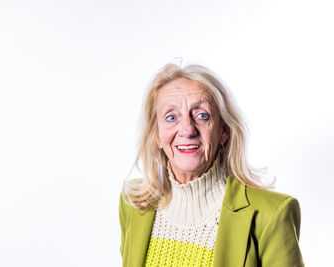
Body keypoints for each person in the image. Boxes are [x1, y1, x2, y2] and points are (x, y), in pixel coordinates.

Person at [119, 62, 304, 267]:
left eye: (202, 115)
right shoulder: (134, 204)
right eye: (171, 117)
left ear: (224, 130)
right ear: (157, 135)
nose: (187, 130)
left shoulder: (272, 214)